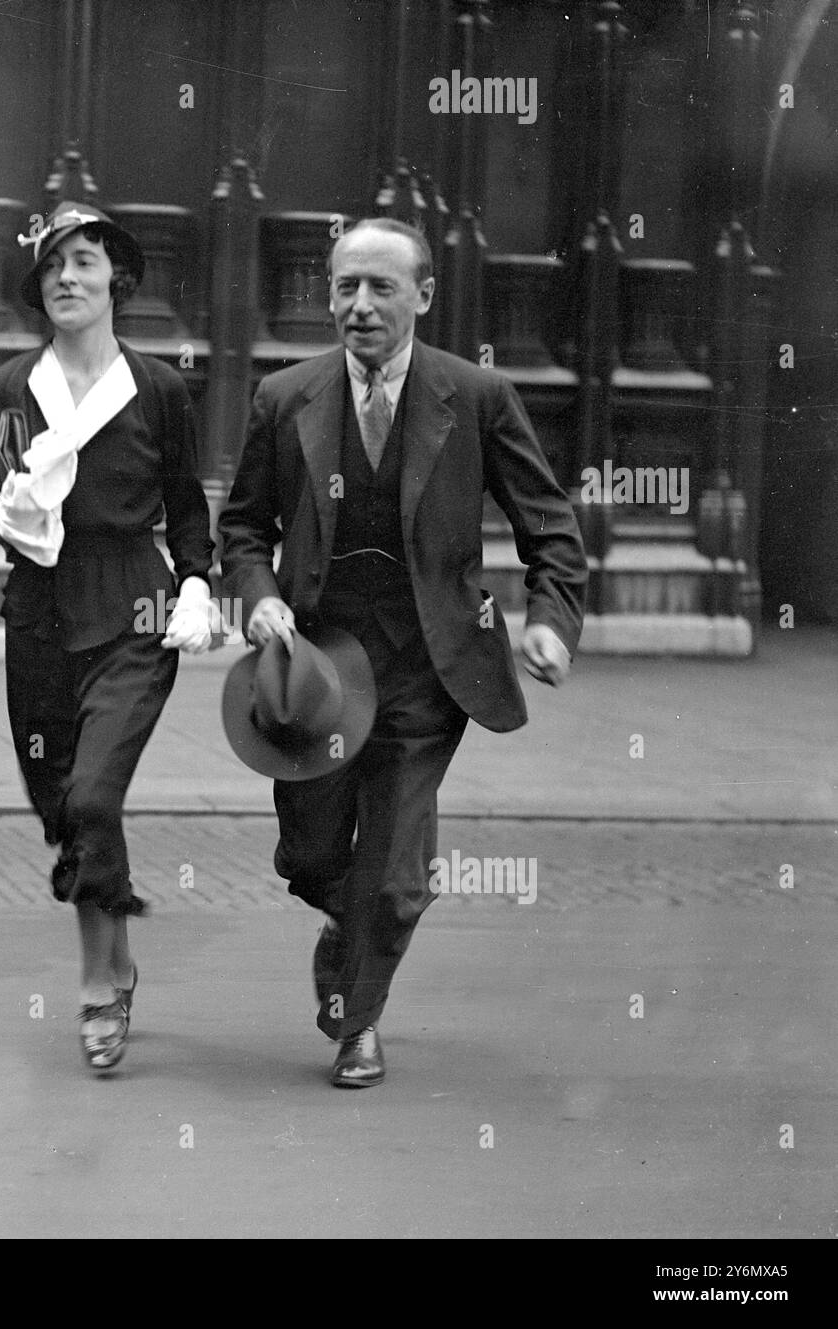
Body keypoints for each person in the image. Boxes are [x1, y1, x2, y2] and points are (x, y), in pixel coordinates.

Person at [218, 217, 587, 1088]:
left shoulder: (477, 396)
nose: (358, 305)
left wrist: (550, 621)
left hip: (431, 665)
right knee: (312, 854)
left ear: (423, 296)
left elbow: (552, 530)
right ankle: (345, 927)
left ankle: (358, 1021)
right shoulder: (286, 398)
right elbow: (242, 527)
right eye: (345, 286)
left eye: (381, 287)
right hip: (316, 674)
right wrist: (262, 600)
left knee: (393, 874)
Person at [0, 203, 215, 1072]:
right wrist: (7, 517)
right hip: (37, 615)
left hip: (132, 614)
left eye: (85, 262)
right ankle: (117, 959)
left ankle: (98, 984)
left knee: (95, 794)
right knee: (65, 806)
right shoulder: (9, 389)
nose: (68, 277)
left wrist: (197, 582)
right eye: (52, 267)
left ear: (117, 280)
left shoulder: (158, 390)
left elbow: (187, 506)